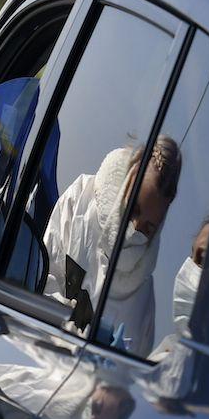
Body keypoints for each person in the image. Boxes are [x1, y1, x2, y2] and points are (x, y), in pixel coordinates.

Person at [43, 136, 182, 357]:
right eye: (134, 209)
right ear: (128, 178)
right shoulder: (80, 201)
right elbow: (40, 282)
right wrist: (73, 330)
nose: (135, 229)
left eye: (148, 228)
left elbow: (132, 367)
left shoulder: (143, 300)